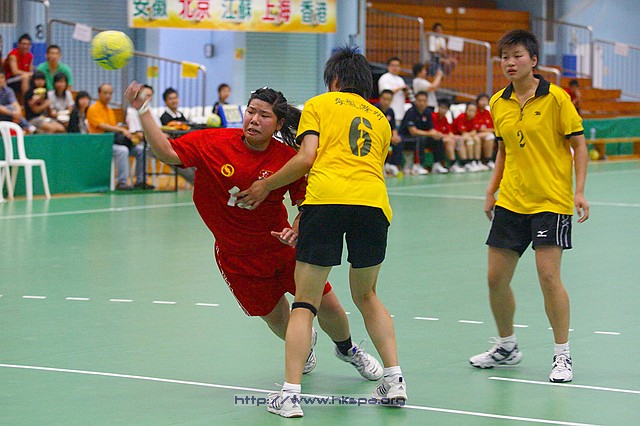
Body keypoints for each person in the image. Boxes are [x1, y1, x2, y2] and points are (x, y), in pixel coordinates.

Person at [124, 82, 383, 402]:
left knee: (328, 305)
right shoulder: (213, 142)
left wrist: (296, 229)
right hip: (236, 258)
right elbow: (166, 151)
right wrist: (143, 109)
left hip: (282, 249)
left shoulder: (287, 158)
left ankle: (348, 349)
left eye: (264, 115)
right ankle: (303, 346)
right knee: (278, 319)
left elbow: (306, 202)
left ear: (278, 123)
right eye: (250, 112)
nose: (254, 120)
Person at [238, 46, 408, 418]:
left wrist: (266, 185)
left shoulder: (320, 104)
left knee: (305, 303)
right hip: (373, 205)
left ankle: (290, 395)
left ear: (333, 79)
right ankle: (395, 379)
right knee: (367, 295)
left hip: (327, 202)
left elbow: (306, 158)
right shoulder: (380, 118)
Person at [469, 30, 589, 384]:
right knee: (495, 279)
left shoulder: (556, 98)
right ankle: (506, 346)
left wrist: (580, 191)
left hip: (551, 201)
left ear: (533, 60)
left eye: (517, 55)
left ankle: (562, 353)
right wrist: (491, 189)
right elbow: (503, 150)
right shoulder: (498, 102)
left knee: (548, 276)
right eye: (504, 57)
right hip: (511, 201)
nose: (510, 62)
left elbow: (579, 147)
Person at [87, 83, 145, 190]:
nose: (108, 96)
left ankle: (141, 181)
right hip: (101, 144)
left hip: (113, 141)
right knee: (122, 150)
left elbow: (114, 128)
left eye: (110, 93)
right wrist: (122, 130)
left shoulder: (110, 110)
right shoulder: (93, 109)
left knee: (140, 150)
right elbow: (102, 126)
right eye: (105, 93)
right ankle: (122, 182)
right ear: (99, 93)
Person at [399, 91, 450, 175]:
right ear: (416, 101)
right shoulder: (411, 112)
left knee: (437, 139)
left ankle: (437, 164)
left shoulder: (427, 112)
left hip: (422, 137)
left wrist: (436, 134)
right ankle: (417, 165)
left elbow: (431, 129)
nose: (421, 103)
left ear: (427, 102)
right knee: (420, 139)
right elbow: (413, 131)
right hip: (407, 138)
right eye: (419, 100)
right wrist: (429, 134)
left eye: (424, 101)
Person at [431, 99, 467, 173]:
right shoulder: (433, 116)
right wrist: (449, 137)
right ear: (438, 107)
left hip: (445, 138)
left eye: (445, 108)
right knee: (450, 141)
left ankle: (465, 163)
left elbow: (450, 132)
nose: (443, 110)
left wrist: (453, 137)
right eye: (442, 108)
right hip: (435, 139)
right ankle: (452, 164)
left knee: (459, 138)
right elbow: (436, 133)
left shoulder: (445, 119)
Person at [374, 89, 402, 177]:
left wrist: (395, 136)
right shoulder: (374, 109)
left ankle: (392, 165)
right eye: (384, 99)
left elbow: (394, 128)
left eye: (389, 99)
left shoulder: (391, 111)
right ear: (380, 98)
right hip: (376, 136)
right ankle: (381, 165)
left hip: (388, 137)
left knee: (399, 141)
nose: (386, 102)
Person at [452, 103, 488, 172]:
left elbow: (474, 131)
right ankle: (468, 162)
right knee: (470, 140)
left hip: (467, 136)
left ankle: (476, 161)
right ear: (466, 110)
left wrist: (470, 135)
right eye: (470, 110)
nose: (472, 113)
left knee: (476, 139)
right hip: (456, 136)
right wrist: (470, 135)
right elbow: (463, 133)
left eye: (474, 111)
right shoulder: (461, 117)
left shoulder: (475, 118)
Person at [377, 56, 409, 126]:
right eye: (393, 65)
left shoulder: (400, 79)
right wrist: (400, 88)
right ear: (388, 66)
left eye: (397, 66)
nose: (395, 68)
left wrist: (406, 91)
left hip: (400, 112)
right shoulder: (385, 78)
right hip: (388, 112)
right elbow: (386, 93)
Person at [4, 34, 34, 103]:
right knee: (25, 77)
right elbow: (15, 72)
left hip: (21, 79)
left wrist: (31, 74)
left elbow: (30, 71)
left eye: (28, 44)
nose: (25, 46)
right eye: (23, 44)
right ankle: (26, 103)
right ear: (18, 44)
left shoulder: (30, 56)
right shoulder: (13, 55)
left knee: (38, 79)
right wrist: (29, 74)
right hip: (10, 80)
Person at [474, 93, 496, 169]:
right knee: (490, 136)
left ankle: (488, 160)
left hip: (486, 134)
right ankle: (479, 161)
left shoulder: (487, 112)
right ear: (478, 101)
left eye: (486, 100)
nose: (484, 102)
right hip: (476, 134)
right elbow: (478, 129)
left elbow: (492, 126)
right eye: (482, 100)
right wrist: (490, 130)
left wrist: (490, 130)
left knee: (491, 137)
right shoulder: (474, 111)